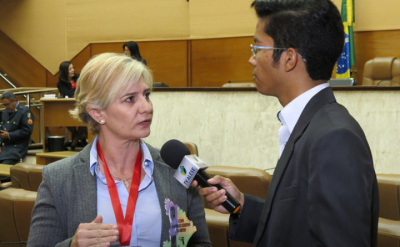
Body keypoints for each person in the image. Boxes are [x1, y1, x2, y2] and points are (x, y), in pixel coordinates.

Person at [194, 0, 379, 246]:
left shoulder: (334, 139)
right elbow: (298, 225)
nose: (252, 60)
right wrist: (241, 205)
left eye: (256, 47)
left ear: (289, 58)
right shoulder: (310, 124)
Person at [28, 53, 210, 247]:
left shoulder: (177, 168)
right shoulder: (58, 179)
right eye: (130, 98)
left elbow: (200, 243)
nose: (146, 107)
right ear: (97, 112)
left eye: (146, 95)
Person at [57, 61, 86, 150]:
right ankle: (80, 138)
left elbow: (86, 87)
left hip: (82, 105)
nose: (73, 70)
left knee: (85, 119)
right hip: (68, 106)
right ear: (65, 71)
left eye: (73, 68)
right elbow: (68, 93)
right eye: (70, 69)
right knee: (66, 120)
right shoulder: (61, 83)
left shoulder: (78, 77)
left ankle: (75, 141)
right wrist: (78, 89)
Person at [0, 91, 34, 165]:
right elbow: (2, 130)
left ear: (14, 100)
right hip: (4, 149)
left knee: (3, 170)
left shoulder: (25, 112)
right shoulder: (5, 113)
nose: (5, 107)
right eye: (3, 105)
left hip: (16, 149)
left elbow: (27, 131)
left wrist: (9, 135)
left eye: (7, 104)